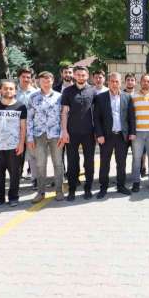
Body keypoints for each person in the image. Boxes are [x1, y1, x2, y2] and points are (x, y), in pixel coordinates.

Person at [0, 80, 27, 208]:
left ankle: (13, 197)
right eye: (5, 88)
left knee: (15, 174)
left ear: (15, 91)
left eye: (11, 89)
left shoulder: (21, 107)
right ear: (0, 90)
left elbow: (23, 128)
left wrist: (21, 144)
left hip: (14, 147)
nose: (8, 91)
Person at [93, 72, 136, 197]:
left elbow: (131, 117)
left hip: (122, 136)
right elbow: (97, 118)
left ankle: (121, 185)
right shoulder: (100, 97)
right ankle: (103, 187)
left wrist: (132, 132)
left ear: (120, 82)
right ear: (108, 82)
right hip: (106, 136)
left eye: (117, 81)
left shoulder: (127, 97)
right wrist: (99, 134)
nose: (114, 84)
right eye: (112, 81)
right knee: (104, 162)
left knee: (121, 163)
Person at [59, 66, 97, 201]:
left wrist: (97, 132)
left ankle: (88, 188)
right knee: (72, 162)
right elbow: (64, 112)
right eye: (78, 75)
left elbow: (97, 114)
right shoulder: (68, 91)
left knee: (89, 162)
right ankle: (72, 189)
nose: (81, 77)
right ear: (74, 76)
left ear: (87, 76)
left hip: (89, 133)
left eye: (83, 75)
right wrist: (64, 131)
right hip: (72, 133)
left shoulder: (93, 91)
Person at [26, 71, 65, 202]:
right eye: (43, 80)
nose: (46, 82)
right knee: (40, 164)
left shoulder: (60, 97)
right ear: (38, 82)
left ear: (52, 81)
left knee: (58, 163)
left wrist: (62, 134)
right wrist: (30, 137)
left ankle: (59, 191)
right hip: (39, 135)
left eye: (48, 79)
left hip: (55, 135)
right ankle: (40, 192)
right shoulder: (33, 97)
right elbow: (29, 118)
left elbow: (63, 117)